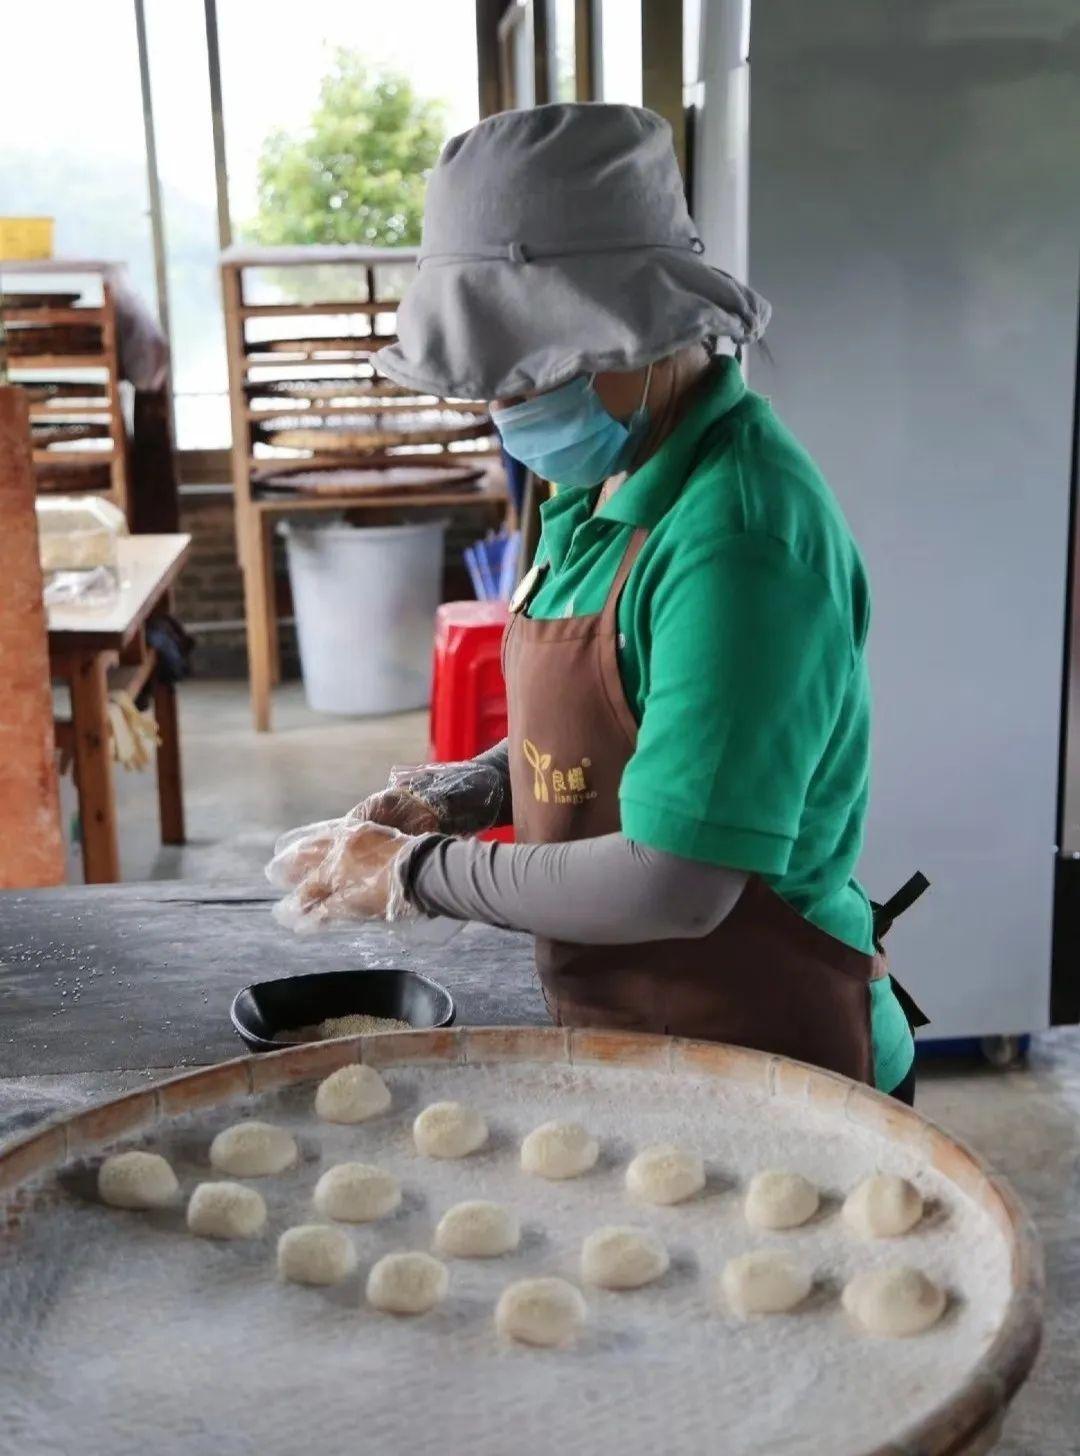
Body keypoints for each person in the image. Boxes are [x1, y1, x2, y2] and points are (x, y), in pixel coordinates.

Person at [273, 102, 922, 1104]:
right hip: (635, 1026)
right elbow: (626, 708)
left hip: (765, 1052)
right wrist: (475, 786)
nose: (502, 404)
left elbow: (678, 881)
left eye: (530, 365)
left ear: (644, 327)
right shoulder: (604, 477)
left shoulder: (739, 540)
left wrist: (416, 872)